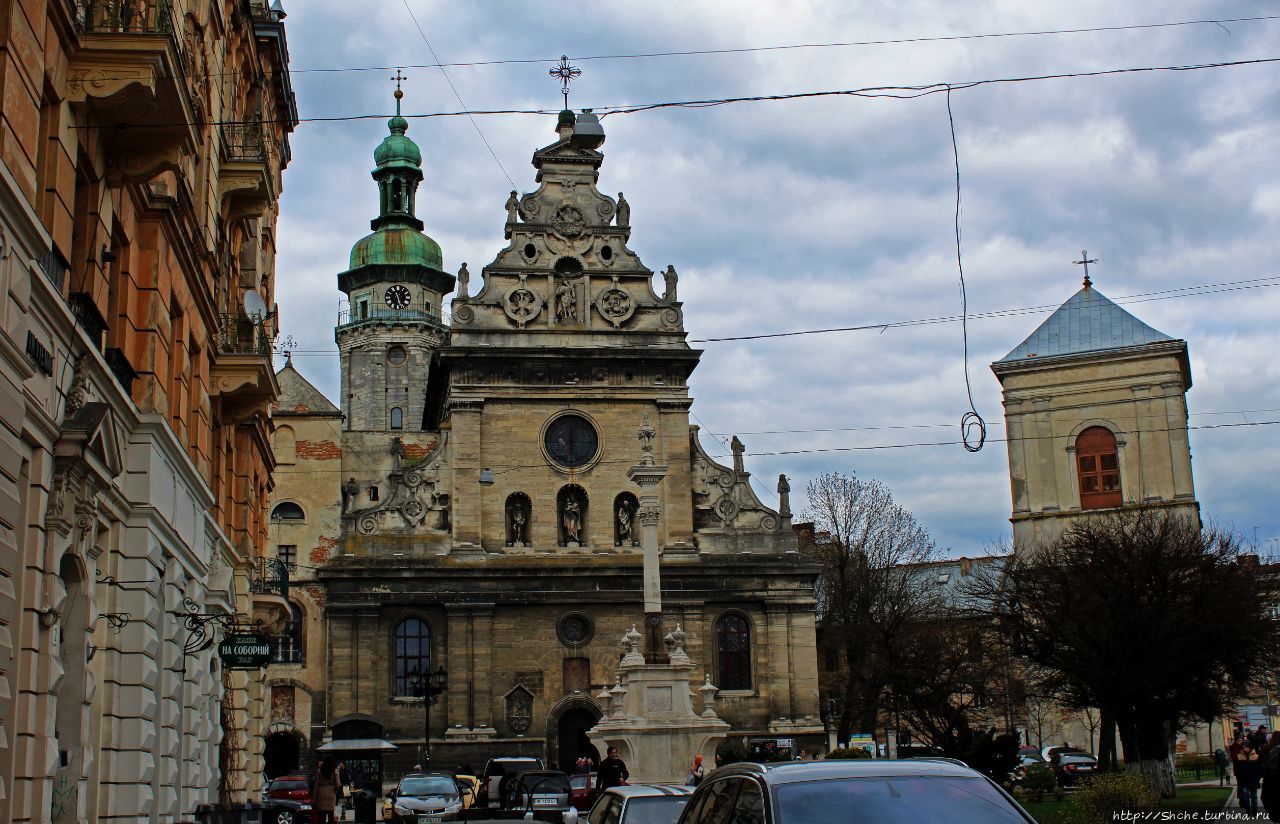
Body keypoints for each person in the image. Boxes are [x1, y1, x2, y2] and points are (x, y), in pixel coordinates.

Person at [1236, 741, 1262, 816]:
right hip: (1244, 780)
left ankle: (1254, 812)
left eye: (1245, 747)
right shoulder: (1239, 756)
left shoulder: (1256, 756)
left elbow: (1260, 769)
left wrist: (1257, 778)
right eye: (1243, 747)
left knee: (1254, 796)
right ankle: (1248, 810)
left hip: (1253, 780)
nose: (1244, 748)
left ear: (1250, 747)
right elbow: (1237, 769)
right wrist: (1240, 778)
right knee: (1245, 796)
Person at [312, 755, 340, 824]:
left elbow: (316, 786)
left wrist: (314, 799)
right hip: (331, 794)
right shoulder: (335, 770)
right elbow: (338, 784)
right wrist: (334, 791)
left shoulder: (319, 770)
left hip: (321, 794)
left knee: (321, 817)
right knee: (331, 815)